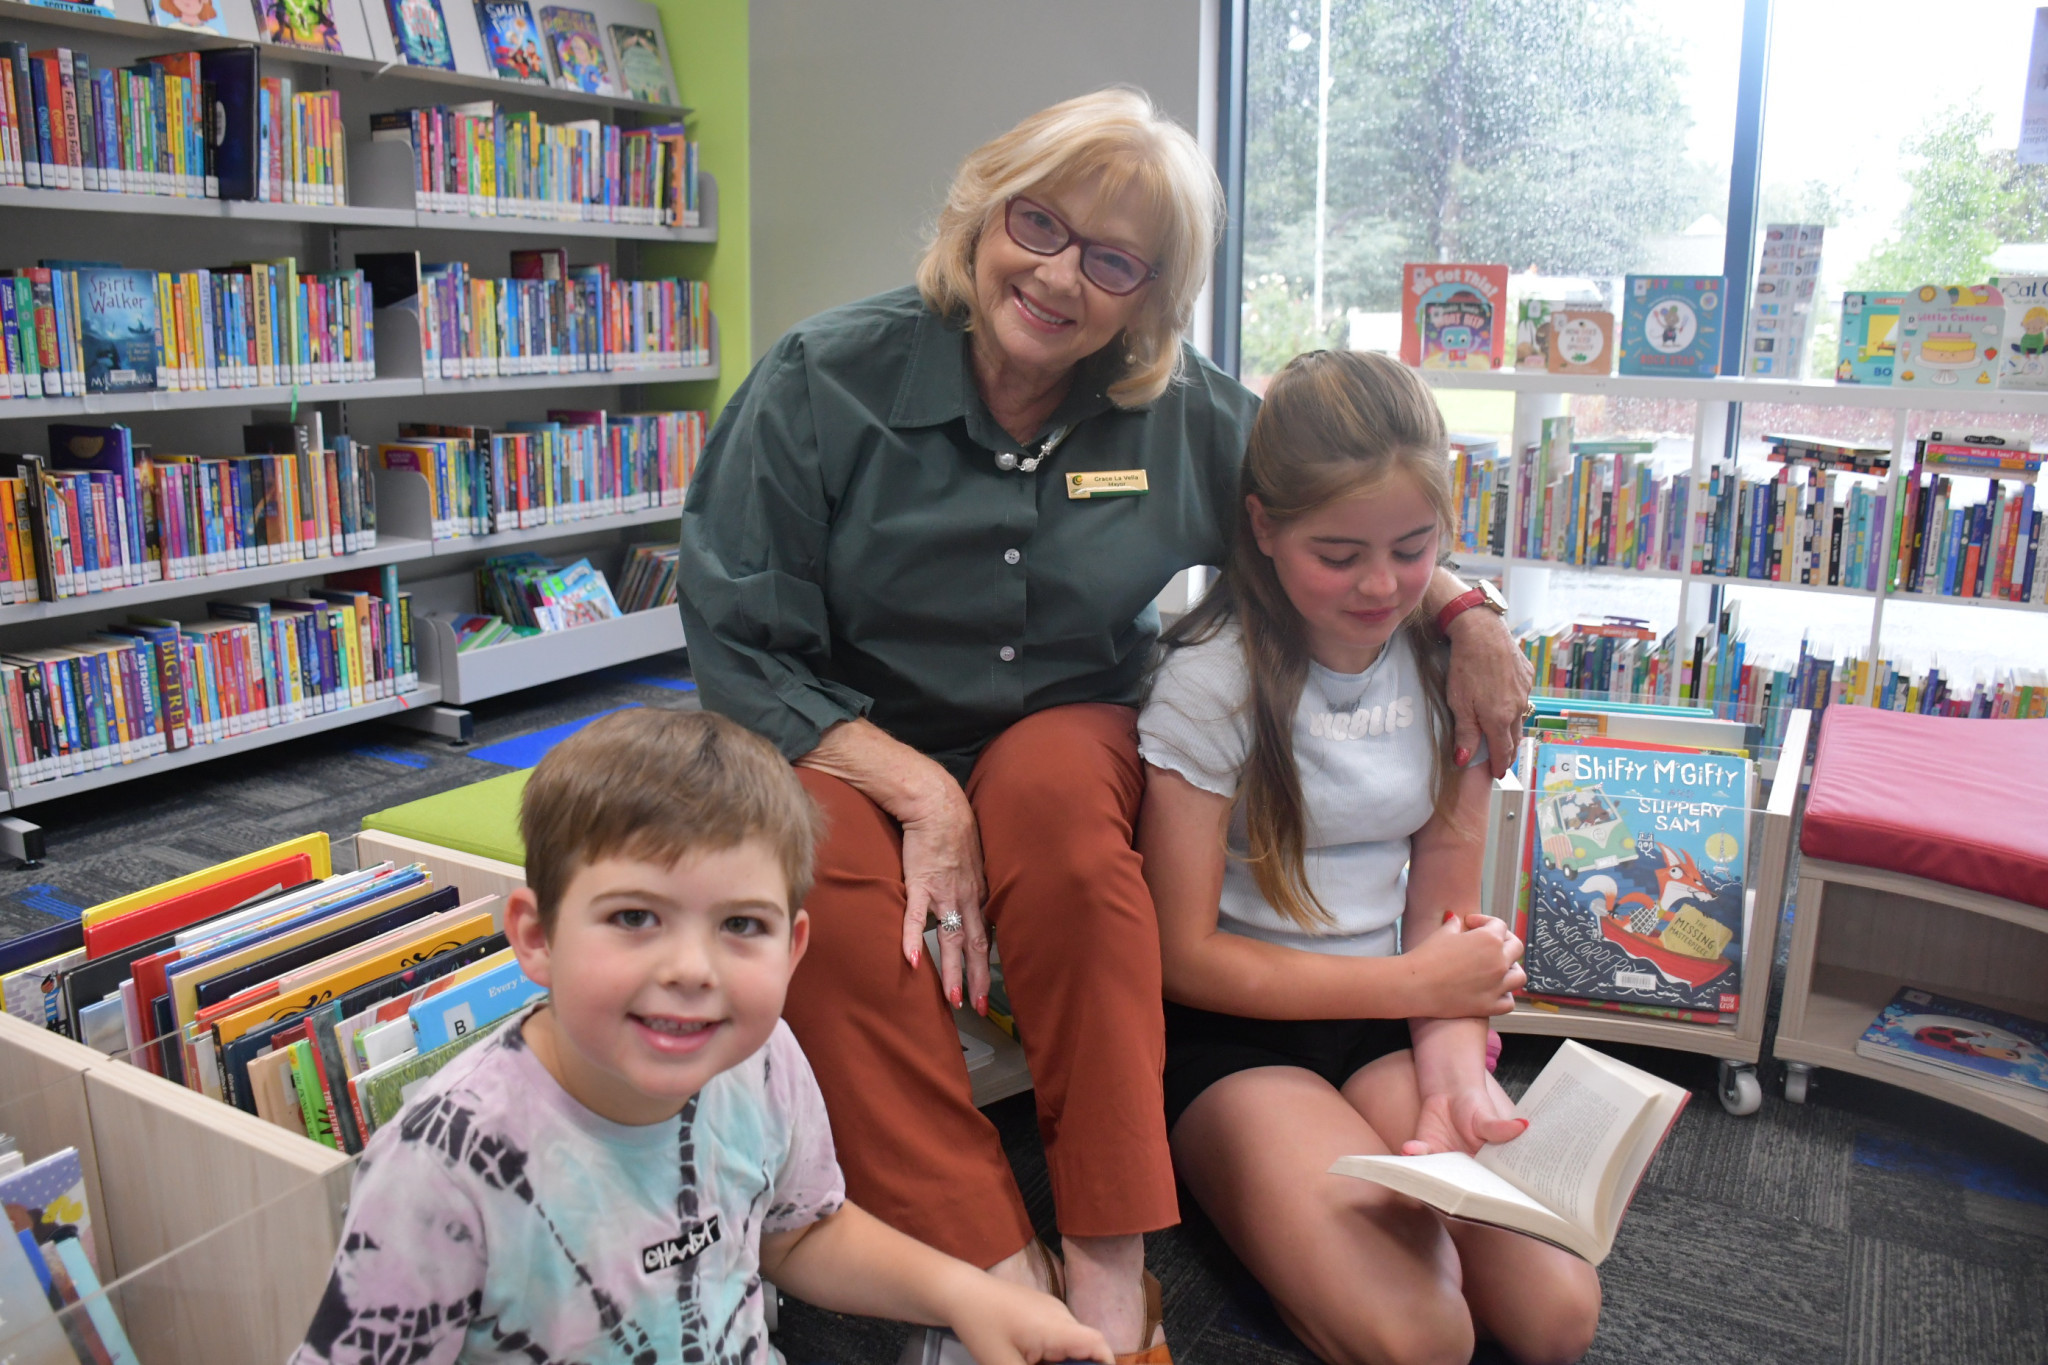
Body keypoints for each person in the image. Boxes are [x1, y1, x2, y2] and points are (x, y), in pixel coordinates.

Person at [675, 88, 1533, 1362]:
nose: (1058, 273)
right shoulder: (823, 379)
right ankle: (990, 1269)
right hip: (843, 738)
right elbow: (739, 643)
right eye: (1038, 223)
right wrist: (919, 792)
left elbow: (1336, 503)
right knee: (837, 906)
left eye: (1113, 259)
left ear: (1151, 294)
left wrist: (1464, 607)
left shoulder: (1183, 413)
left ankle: (1106, 1262)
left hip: (1064, 724)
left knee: (1068, 830)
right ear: (983, 213)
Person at [289, 708, 1111, 1365]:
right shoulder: (439, 1164)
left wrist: (964, 1293)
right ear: (536, 936)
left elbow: (800, 1229)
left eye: (740, 924)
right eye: (635, 916)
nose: (692, 968)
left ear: (793, 949)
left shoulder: (764, 1058)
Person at [1134, 349, 1601, 1365]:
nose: (1380, 585)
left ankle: (1362, 1166)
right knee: (1419, 1337)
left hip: (1387, 1024)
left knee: (1554, 1313)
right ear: (1263, 527)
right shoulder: (1210, 682)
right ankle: (1248, 1200)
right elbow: (1182, 955)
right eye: (1336, 554)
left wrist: (1449, 1077)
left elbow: (1444, 915)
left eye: (1411, 547)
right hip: (1234, 1036)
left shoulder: (1458, 669)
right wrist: (1414, 981)